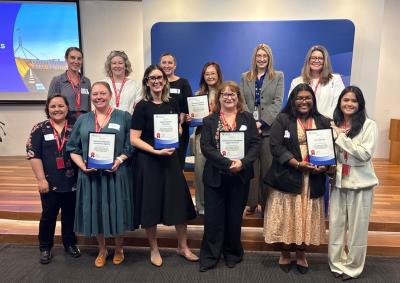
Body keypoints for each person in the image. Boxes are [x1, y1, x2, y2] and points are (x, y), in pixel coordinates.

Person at [130, 65, 198, 267]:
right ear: (147, 82)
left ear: (165, 81)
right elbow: (134, 139)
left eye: (160, 78)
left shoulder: (173, 103)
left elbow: (177, 129)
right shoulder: (141, 106)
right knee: (150, 205)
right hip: (149, 161)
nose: (157, 81)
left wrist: (177, 129)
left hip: (170, 160)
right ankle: (154, 249)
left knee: (178, 202)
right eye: (152, 78)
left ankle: (183, 246)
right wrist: (155, 150)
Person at [263, 83, 331, 274]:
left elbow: (328, 149)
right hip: (288, 176)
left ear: (313, 100)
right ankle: (285, 252)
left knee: (305, 215)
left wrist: (324, 165)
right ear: (293, 100)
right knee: (288, 215)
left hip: (312, 178)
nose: (303, 101)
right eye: (299, 98)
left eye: (307, 98)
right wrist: (296, 163)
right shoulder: (283, 119)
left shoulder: (322, 121)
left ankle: (301, 253)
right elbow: (275, 147)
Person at [66, 82, 134, 268]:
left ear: (110, 94)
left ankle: (119, 248)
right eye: (95, 94)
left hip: (116, 173)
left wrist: (119, 160)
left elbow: (132, 145)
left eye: (102, 93)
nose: (98, 97)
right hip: (90, 175)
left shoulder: (123, 117)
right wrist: (82, 166)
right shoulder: (83, 119)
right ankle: (102, 249)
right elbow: (72, 147)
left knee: (117, 209)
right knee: (95, 210)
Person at [199, 81, 260, 272]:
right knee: (213, 219)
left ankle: (232, 253)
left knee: (234, 219)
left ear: (238, 97)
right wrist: (227, 163)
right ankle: (210, 256)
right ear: (219, 98)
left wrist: (242, 163)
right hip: (216, 176)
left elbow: (255, 144)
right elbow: (206, 147)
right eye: (224, 94)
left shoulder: (247, 118)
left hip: (239, 176)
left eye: (232, 94)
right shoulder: (210, 120)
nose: (228, 97)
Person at [328, 86, 378, 280]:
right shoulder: (333, 124)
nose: (349, 104)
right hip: (338, 181)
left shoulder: (369, 125)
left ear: (360, 104)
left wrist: (340, 137)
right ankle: (337, 263)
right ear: (340, 102)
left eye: (354, 101)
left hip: (361, 184)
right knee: (336, 226)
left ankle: (353, 267)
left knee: (357, 229)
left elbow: (365, 154)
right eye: (345, 100)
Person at [26, 94, 80, 264]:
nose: (57, 109)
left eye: (61, 106)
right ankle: (45, 247)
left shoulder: (75, 128)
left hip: (73, 181)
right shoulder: (39, 128)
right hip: (49, 182)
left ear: (67, 108)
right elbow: (33, 155)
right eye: (53, 106)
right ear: (48, 109)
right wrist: (41, 179)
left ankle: (69, 243)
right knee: (48, 215)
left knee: (70, 215)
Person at [240, 43, 284, 215]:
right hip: (250, 129)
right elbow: (242, 101)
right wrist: (253, 124)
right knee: (250, 167)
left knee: (267, 167)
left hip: (268, 130)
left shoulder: (278, 76)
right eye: (259, 56)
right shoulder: (246, 76)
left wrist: (262, 123)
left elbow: (277, 102)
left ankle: (267, 204)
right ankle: (251, 203)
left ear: (269, 58)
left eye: (265, 56)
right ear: (254, 58)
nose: (261, 59)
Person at [186, 61, 223, 215]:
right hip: (202, 136)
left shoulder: (225, 92)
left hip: (221, 136)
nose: (210, 76)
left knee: (219, 171)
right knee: (200, 171)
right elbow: (193, 121)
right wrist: (190, 119)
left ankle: (219, 204)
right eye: (207, 74)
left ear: (218, 75)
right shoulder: (197, 95)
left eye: (212, 73)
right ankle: (201, 205)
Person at [289, 45, 345, 119]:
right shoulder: (296, 81)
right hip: (302, 123)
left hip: (327, 123)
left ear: (325, 61)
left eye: (320, 58)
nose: (317, 61)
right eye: (313, 58)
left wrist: (322, 120)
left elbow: (339, 103)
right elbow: (292, 104)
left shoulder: (335, 80)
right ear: (308, 60)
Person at [160, 52, 193, 169]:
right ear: (160, 65)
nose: (167, 65)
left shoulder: (183, 83)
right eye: (164, 62)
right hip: (160, 130)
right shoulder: (156, 83)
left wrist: (178, 124)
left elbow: (187, 106)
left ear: (175, 66)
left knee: (177, 164)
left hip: (180, 130)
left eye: (170, 62)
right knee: (161, 163)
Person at [48, 47, 91, 122]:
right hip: (64, 122)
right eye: (72, 58)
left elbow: (89, 106)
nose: (76, 61)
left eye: (79, 59)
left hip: (84, 122)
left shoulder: (86, 81)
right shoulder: (57, 81)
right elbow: (50, 105)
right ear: (66, 59)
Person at [103, 50, 142, 114]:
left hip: (129, 121)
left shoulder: (135, 85)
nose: (117, 66)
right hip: (107, 122)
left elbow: (139, 109)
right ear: (109, 66)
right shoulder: (103, 84)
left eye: (120, 63)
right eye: (114, 63)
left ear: (126, 65)